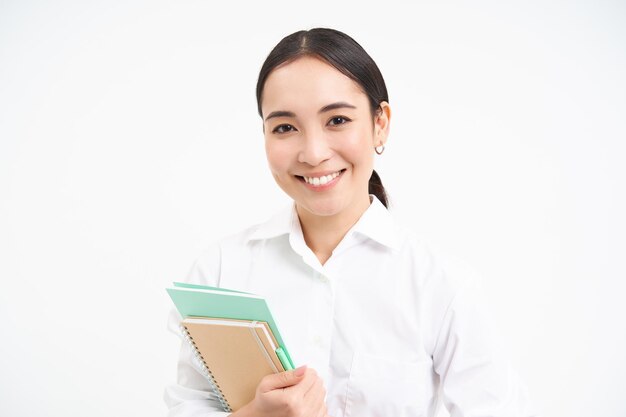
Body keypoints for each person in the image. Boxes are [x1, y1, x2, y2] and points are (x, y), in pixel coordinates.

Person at [164, 27, 538, 417]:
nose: (313, 152)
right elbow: (188, 406)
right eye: (285, 127)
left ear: (380, 123)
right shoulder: (220, 271)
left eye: (337, 120)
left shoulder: (441, 284)